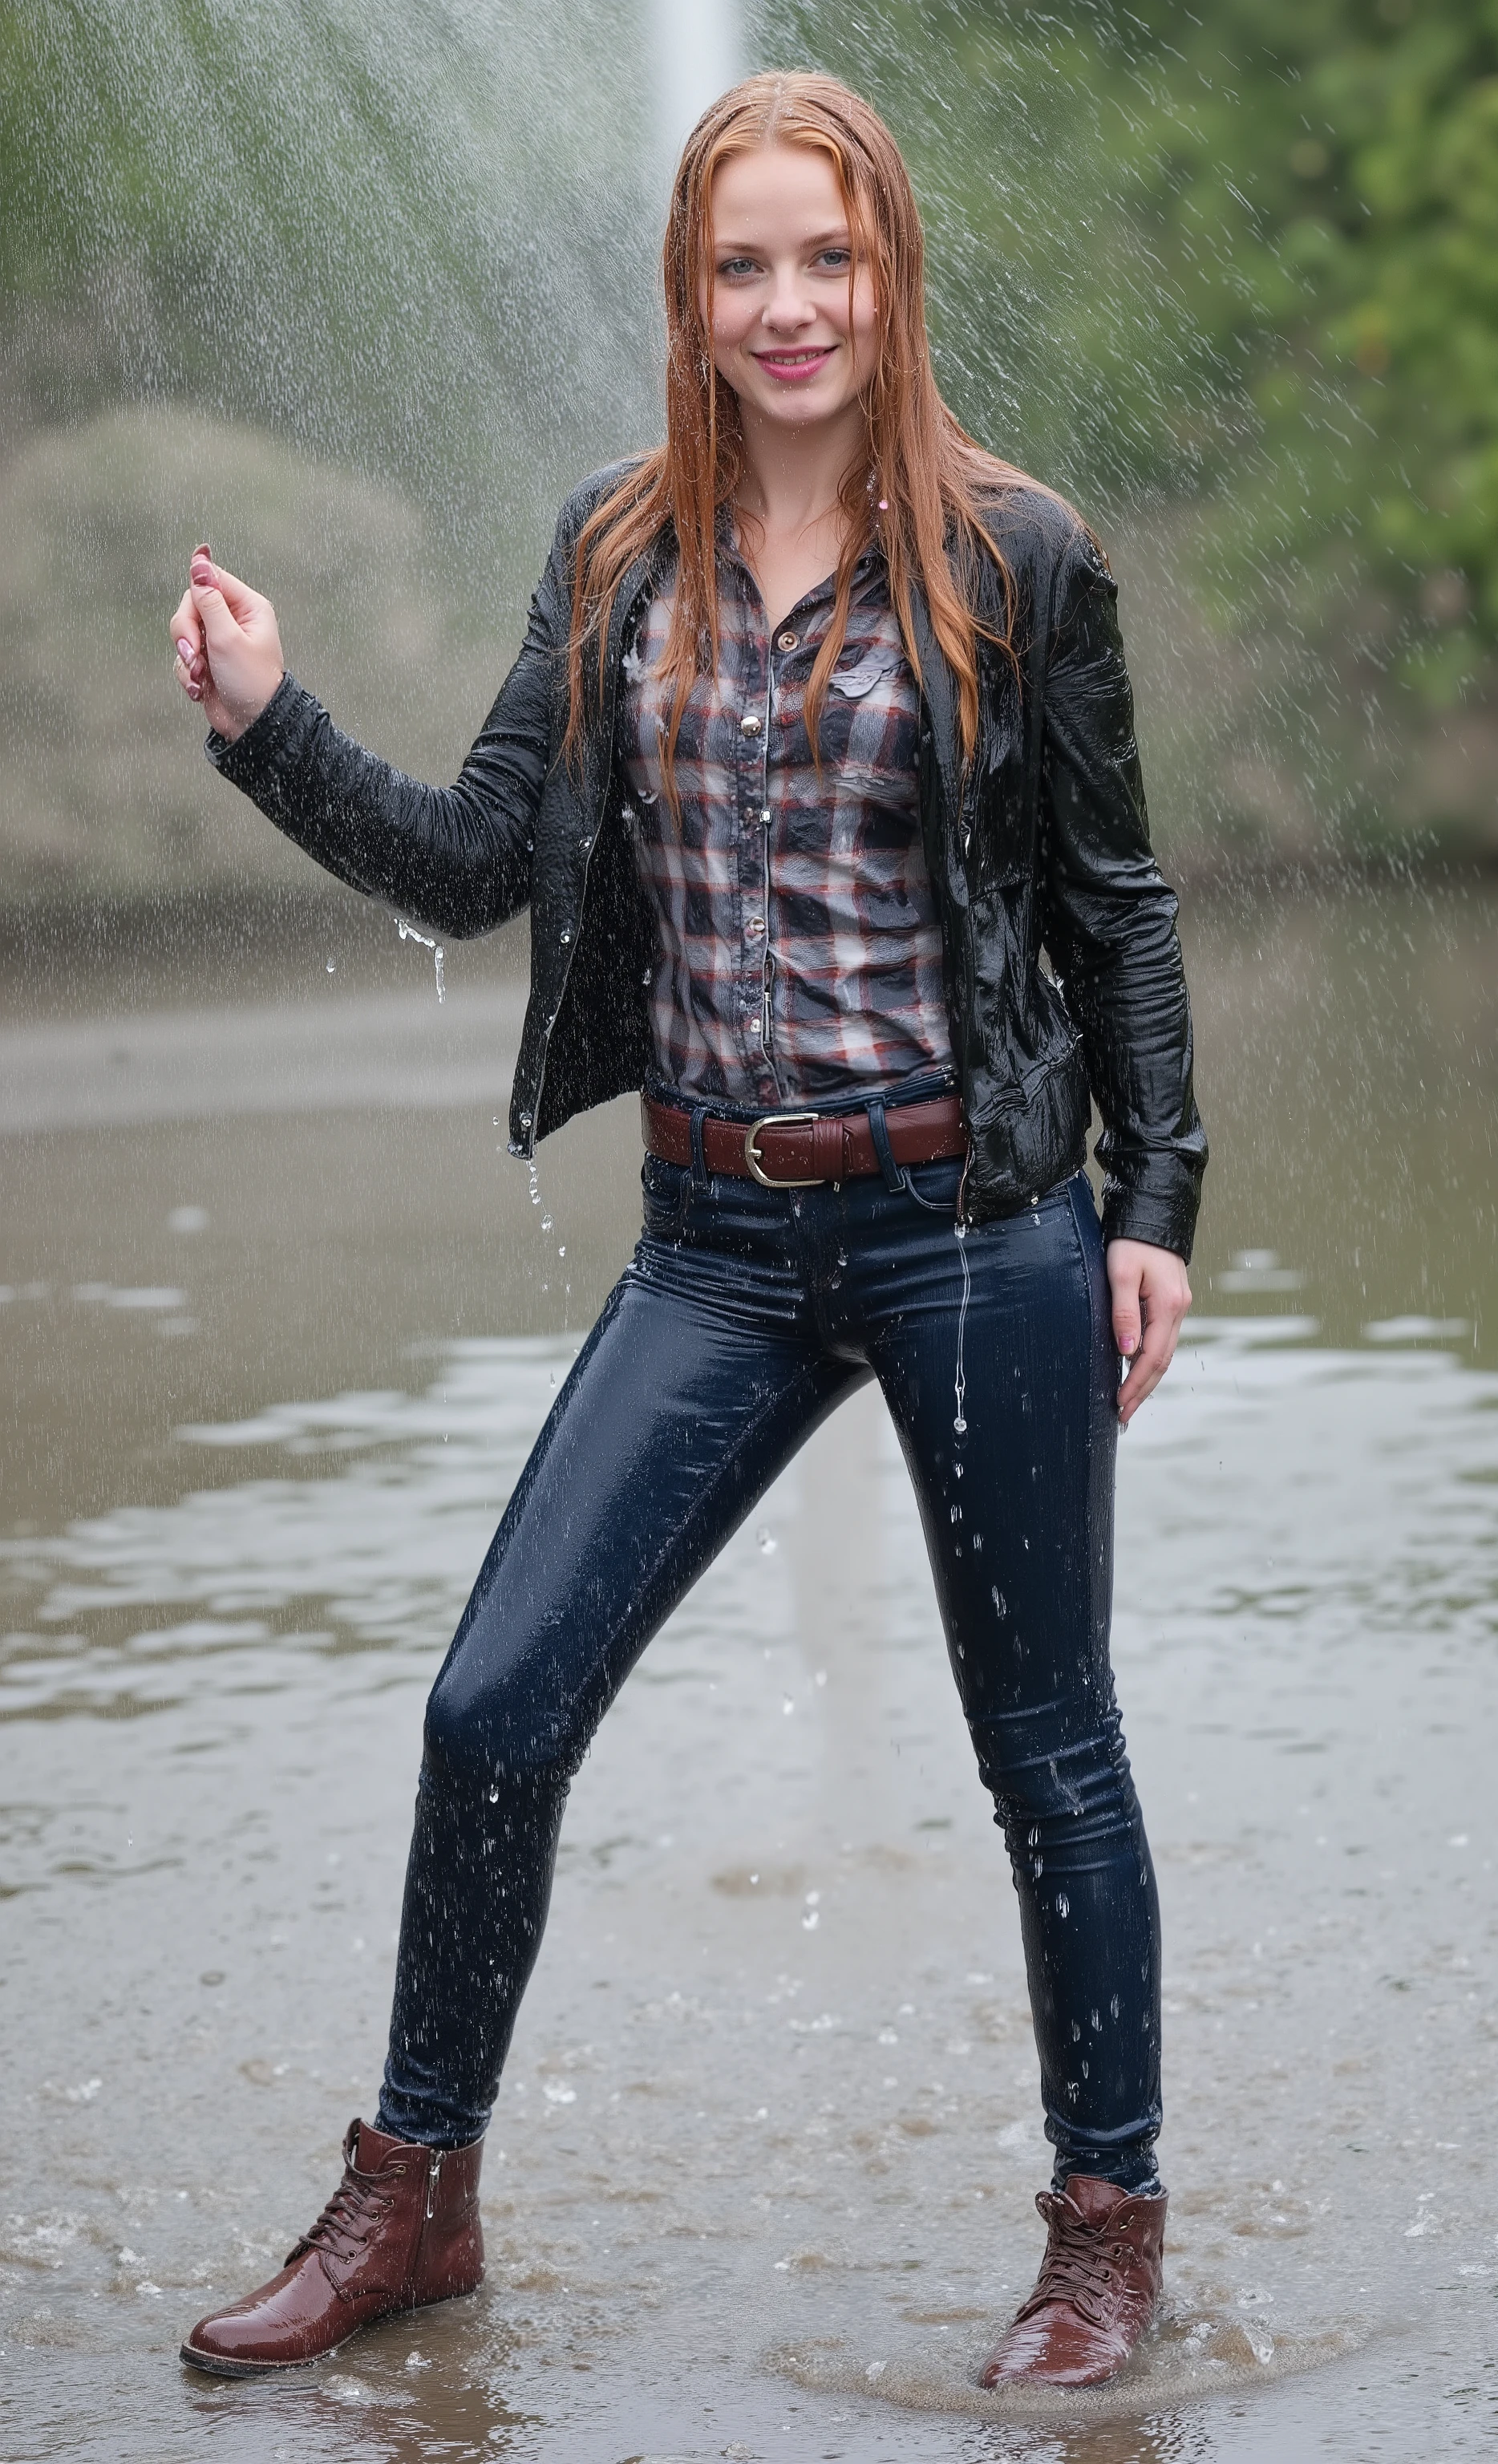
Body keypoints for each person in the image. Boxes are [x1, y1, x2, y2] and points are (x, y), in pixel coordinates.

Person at [168, 71, 1205, 2391]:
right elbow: (470, 861)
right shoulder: (616, 551)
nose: (788, 304)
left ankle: (1104, 2232)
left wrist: (1157, 1203)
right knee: (491, 1708)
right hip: (717, 1236)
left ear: (890, 274)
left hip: (975, 1219)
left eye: (827, 258)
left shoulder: (1019, 557)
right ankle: (416, 2195)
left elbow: (1115, 904)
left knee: (1046, 1744)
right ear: (691, 293)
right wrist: (266, 721)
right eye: (744, 265)